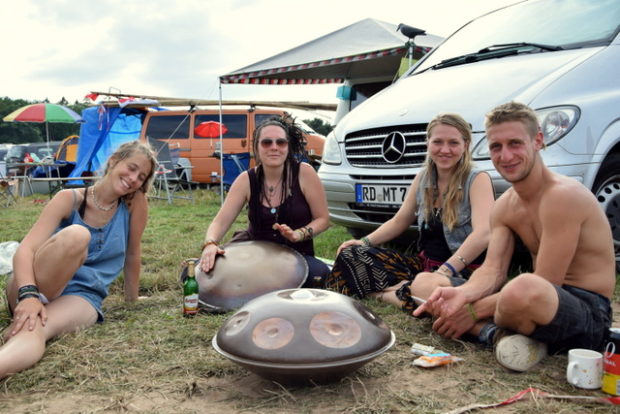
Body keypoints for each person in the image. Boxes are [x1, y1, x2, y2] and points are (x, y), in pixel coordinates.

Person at [414, 101, 616, 372]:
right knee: (427, 283)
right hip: (528, 303)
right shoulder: (506, 205)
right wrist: (460, 295)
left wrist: (472, 310)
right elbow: (493, 271)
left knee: (522, 289)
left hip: (584, 310)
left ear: (538, 141)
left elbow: (547, 283)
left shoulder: (562, 196)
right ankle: (498, 336)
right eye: (496, 147)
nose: (505, 155)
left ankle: (482, 327)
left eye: (515, 144)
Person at [0, 140, 157, 380]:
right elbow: (26, 250)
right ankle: (34, 305)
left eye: (142, 176)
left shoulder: (134, 204)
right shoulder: (69, 198)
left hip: (82, 295)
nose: (134, 178)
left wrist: (131, 298)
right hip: (32, 284)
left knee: (36, 329)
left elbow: (133, 253)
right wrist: (30, 296)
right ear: (114, 160)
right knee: (77, 234)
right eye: (132, 167)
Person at [326, 113, 495, 313]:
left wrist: (445, 270)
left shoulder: (477, 179)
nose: (445, 150)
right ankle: (409, 292)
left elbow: (484, 233)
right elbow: (400, 220)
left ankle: (387, 293)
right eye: (438, 142)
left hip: (462, 271)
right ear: (428, 143)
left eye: (453, 143)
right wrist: (364, 242)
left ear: (465, 145)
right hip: (423, 265)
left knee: (428, 286)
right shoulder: (423, 177)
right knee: (350, 254)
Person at [198, 116, 330, 287]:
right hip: (254, 255)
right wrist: (210, 243)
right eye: (267, 142)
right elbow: (220, 222)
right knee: (199, 274)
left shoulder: (304, 173)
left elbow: (323, 219)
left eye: (280, 142)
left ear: (288, 147)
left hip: (296, 255)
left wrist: (299, 234)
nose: (274, 147)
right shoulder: (246, 179)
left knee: (319, 276)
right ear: (257, 147)